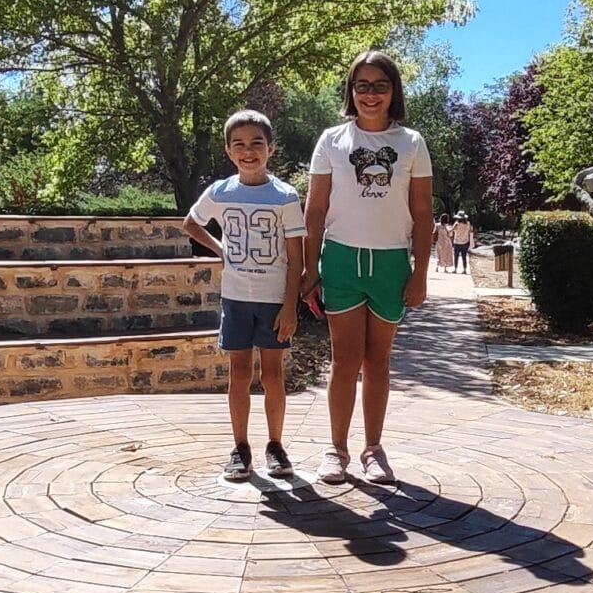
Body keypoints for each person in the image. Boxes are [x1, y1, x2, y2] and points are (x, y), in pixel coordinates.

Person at [302, 50, 431, 485]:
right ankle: (336, 449)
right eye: (362, 86)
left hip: (391, 262)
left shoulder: (411, 142)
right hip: (341, 258)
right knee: (344, 359)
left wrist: (420, 273)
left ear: (393, 91)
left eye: (380, 86)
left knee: (378, 360)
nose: (370, 94)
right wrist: (310, 267)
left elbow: (423, 212)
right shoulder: (332, 140)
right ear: (351, 91)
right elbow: (315, 208)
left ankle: (373, 449)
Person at [181, 109, 309, 482]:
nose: (248, 151)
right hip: (236, 298)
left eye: (256, 143)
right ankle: (240, 448)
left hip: (273, 301)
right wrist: (221, 249)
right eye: (238, 144)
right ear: (228, 150)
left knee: (272, 375)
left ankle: (275, 445)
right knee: (239, 374)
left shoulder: (284, 196)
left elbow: (296, 257)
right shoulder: (220, 192)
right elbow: (191, 223)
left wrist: (290, 306)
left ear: (271, 148)